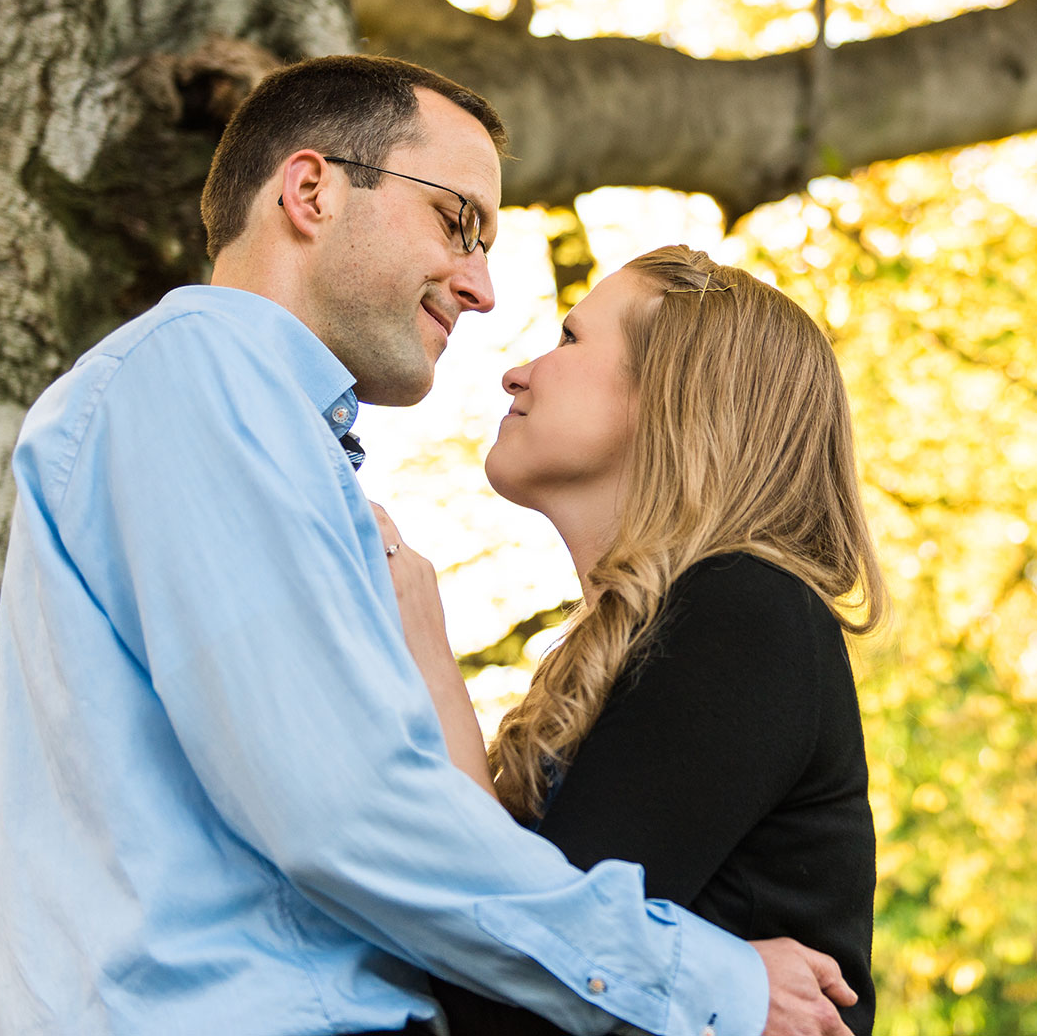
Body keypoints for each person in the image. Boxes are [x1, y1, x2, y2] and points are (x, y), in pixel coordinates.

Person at [0, 56, 856, 1036]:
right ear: (310, 190)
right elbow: (345, 808)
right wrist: (709, 980)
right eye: (456, 221)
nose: (482, 290)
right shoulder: (200, 380)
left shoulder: (266, 439)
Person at [374, 246, 886, 1036]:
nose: (519, 372)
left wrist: (430, 656)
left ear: (676, 396)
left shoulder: (746, 613)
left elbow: (512, 989)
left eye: (572, 340)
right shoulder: (659, 634)